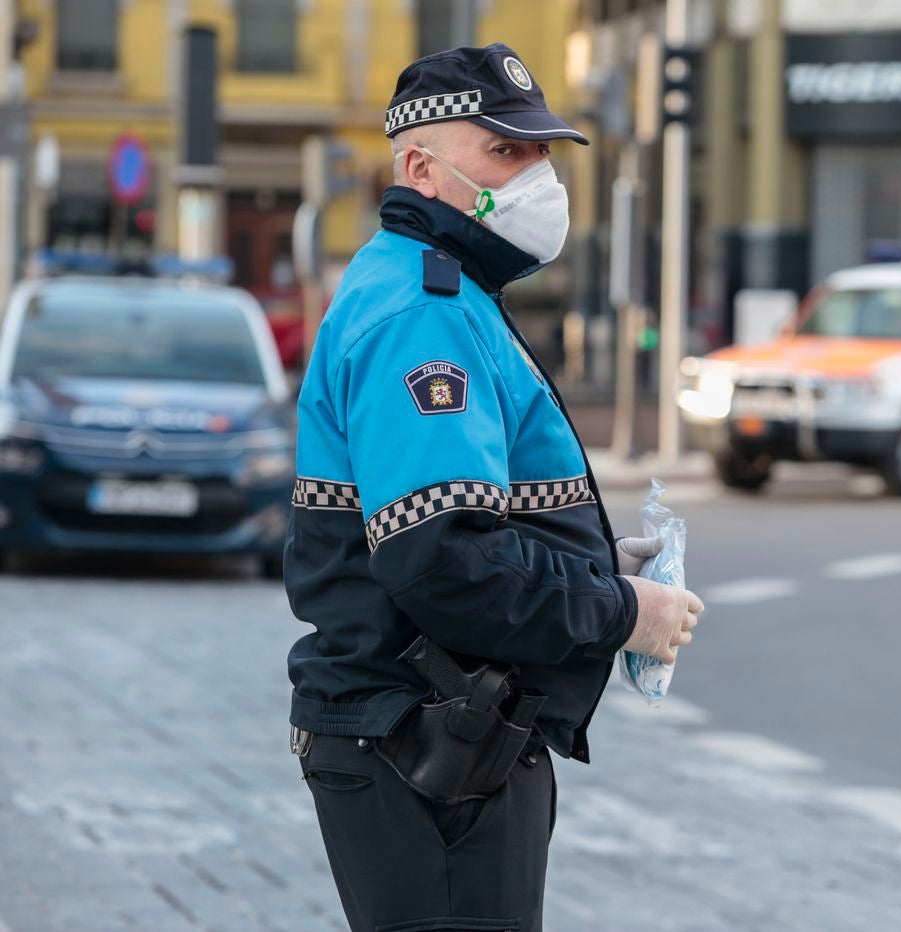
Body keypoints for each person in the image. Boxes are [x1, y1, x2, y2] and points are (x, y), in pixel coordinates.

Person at [283, 43, 704, 932]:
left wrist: (591, 557)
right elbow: (442, 562)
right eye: (505, 152)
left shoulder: (445, 291)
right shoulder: (424, 315)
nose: (537, 176)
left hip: (436, 738)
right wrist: (624, 610)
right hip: (428, 747)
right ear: (420, 168)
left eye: (542, 152)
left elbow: (457, 514)